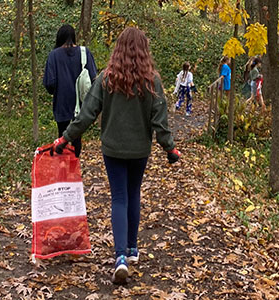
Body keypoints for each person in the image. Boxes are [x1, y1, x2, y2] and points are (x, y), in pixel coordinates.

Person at [51, 27, 181, 284]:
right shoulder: (151, 81)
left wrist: (65, 137)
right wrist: (170, 148)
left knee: (119, 198)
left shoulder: (107, 78)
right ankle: (132, 250)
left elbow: (87, 113)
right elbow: (160, 119)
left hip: (112, 149)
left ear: (118, 49)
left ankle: (120, 256)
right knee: (134, 193)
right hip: (138, 150)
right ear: (145, 51)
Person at [43, 24, 98, 158]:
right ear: (74, 37)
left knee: (62, 137)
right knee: (77, 136)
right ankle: (75, 166)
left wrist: (56, 91)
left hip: (62, 104)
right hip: (81, 104)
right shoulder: (85, 53)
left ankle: (63, 170)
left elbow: (49, 83)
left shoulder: (53, 56)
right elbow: (93, 78)